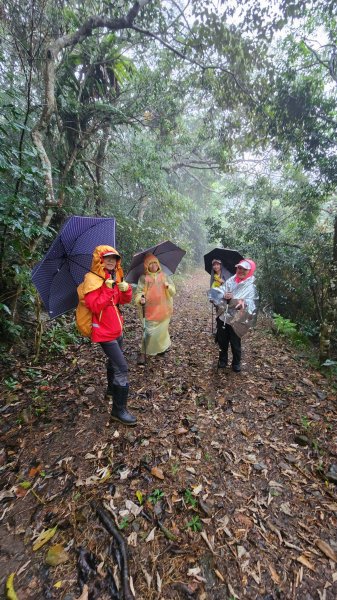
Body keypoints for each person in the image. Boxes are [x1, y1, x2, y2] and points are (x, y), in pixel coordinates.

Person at [83, 245, 137, 426]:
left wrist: (126, 289)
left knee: (113, 362)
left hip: (117, 328)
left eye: (114, 258)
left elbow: (123, 301)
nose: (111, 261)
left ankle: (111, 391)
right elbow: (94, 306)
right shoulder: (91, 279)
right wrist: (106, 289)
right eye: (107, 258)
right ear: (100, 260)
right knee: (122, 367)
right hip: (104, 332)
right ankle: (118, 410)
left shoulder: (115, 276)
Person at [216, 259, 257, 372]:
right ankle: (223, 360)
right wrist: (223, 294)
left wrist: (244, 303)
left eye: (244, 269)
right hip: (224, 316)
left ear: (250, 271)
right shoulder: (231, 280)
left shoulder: (250, 286)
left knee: (235, 342)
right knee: (222, 340)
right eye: (239, 268)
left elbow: (253, 303)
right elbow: (220, 291)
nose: (241, 271)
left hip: (238, 319)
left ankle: (236, 363)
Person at [134, 253, 176, 365]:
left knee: (162, 332)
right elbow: (139, 292)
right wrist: (140, 299)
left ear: (158, 264)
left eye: (155, 263)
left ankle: (160, 349)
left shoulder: (164, 276)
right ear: (147, 266)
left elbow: (173, 292)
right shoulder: (144, 278)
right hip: (150, 311)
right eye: (150, 264)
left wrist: (168, 286)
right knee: (148, 333)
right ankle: (143, 353)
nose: (153, 266)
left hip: (163, 309)